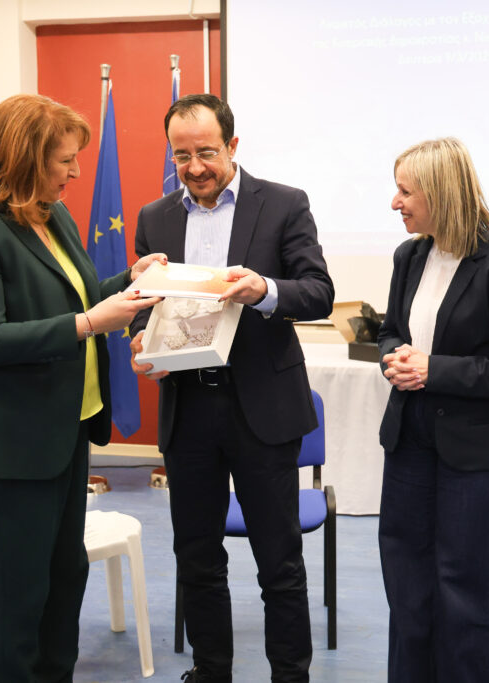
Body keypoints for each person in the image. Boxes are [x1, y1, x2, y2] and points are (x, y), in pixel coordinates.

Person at [0, 94, 164, 682]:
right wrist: (90, 323)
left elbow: (72, 298)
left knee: (64, 580)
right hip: (10, 443)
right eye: (64, 160)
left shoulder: (50, 214)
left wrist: (127, 282)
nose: (76, 172)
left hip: (65, 430)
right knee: (19, 595)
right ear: (24, 158)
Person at [129, 94, 334, 683]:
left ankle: (289, 675)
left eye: (207, 153)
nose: (194, 168)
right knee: (196, 556)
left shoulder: (284, 204)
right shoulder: (155, 217)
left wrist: (265, 290)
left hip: (262, 410)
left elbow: (318, 292)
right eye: (181, 156)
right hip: (188, 409)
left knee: (279, 561)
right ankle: (210, 670)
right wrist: (143, 339)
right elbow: (144, 304)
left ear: (233, 146)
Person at [376, 137, 489, 682]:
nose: (395, 203)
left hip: (477, 453)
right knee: (408, 586)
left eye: (406, 192)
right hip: (410, 441)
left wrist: (433, 370)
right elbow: (391, 330)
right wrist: (394, 357)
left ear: (440, 193)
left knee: (468, 592)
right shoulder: (409, 257)